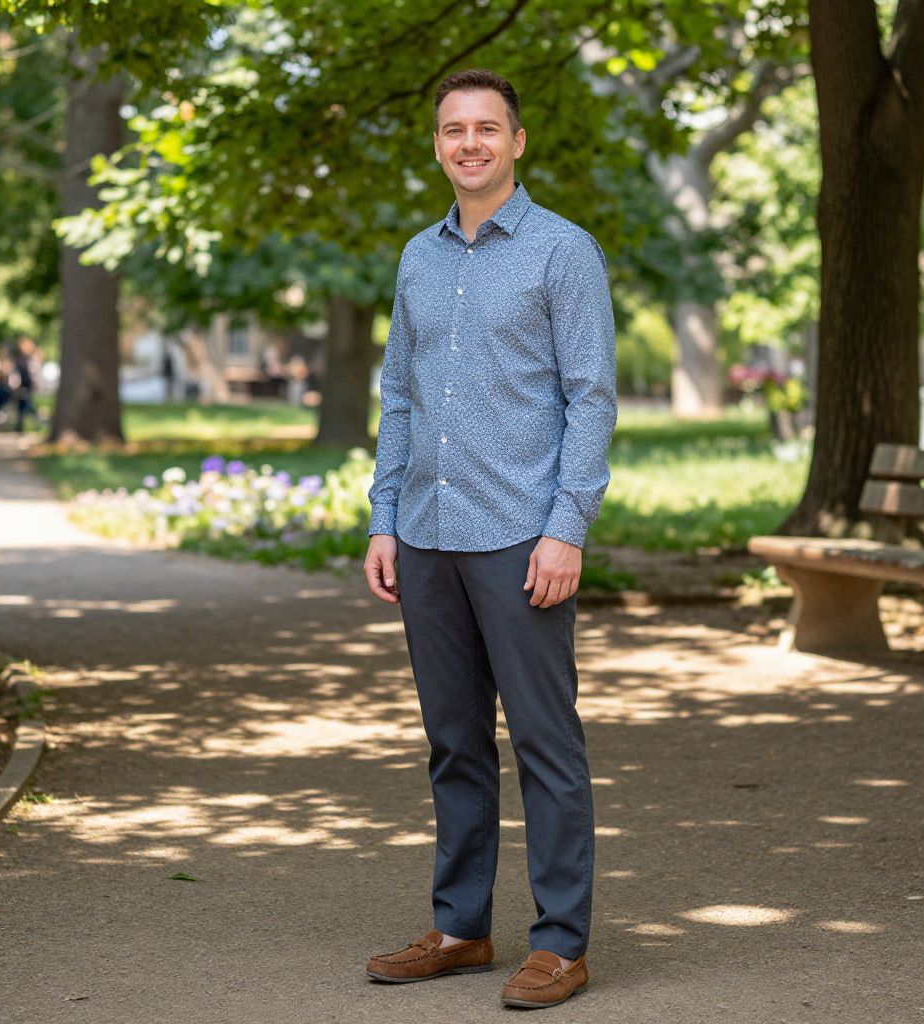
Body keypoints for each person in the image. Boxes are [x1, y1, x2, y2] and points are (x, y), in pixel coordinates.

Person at [363, 68, 617, 1010]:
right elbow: (399, 396)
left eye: (486, 128)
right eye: (452, 129)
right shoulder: (417, 259)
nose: (469, 143)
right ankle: (462, 929)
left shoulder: (563, 252)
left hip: (520, 535)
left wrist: (566, 529)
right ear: (436, 145)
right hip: (426, 533)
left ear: (516, 142)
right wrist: (384, 517)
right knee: (454, 741)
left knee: (547, 743)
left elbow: (591, 398)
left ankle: (561, 943)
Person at [12, 336, 44, 433]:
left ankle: (21, 427)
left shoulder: (28, 359)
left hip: (27, 386)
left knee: (26, 406)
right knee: (25, 406)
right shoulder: (20, 359)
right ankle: (23, 426)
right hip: (22, 386)